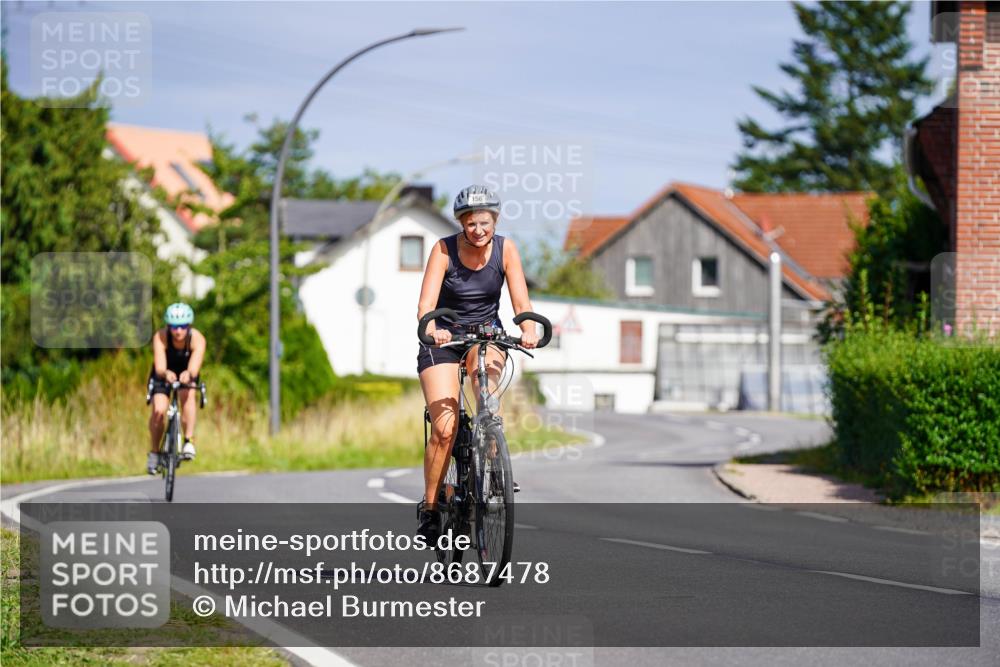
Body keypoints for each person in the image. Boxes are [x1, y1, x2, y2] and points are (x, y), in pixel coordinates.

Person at [415, 185, 539, 541]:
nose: (478, 230)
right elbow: (425, 306)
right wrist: (433, 327)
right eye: (471, 224)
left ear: (494, 221)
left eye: (484, 223)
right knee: (445, 428)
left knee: (487, 393)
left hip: (486, 334)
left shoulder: (506, 249)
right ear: (461, 224)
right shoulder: (443, 249)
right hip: (444, 339)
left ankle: (493, 463)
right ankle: (431, 507)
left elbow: (521, 302)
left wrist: (528, 328)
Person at [147, 302, 206, 474]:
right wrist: (165, 373)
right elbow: (159, 366)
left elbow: (194, 367)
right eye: (174, 327)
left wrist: (189, 373)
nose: (178, 331)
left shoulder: (197, 339)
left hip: (186, 372)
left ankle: (188, 440)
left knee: (187, 393)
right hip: (164, 372)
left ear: (189, 326)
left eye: (182, 326)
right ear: (168, 326)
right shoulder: (161, 336)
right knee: (159, 411)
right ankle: (155, 453)